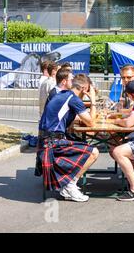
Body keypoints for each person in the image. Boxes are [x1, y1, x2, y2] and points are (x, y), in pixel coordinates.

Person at [37, 72, 99, 202]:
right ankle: (69, 185)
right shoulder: (73, 98)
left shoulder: (63, 95)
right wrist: (93, 100)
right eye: (87, 91)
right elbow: (92, 123)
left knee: (80, 143)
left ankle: (67, 183)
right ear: (83, 89)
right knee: (93, 152)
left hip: (45, 142)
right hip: (53, 145)